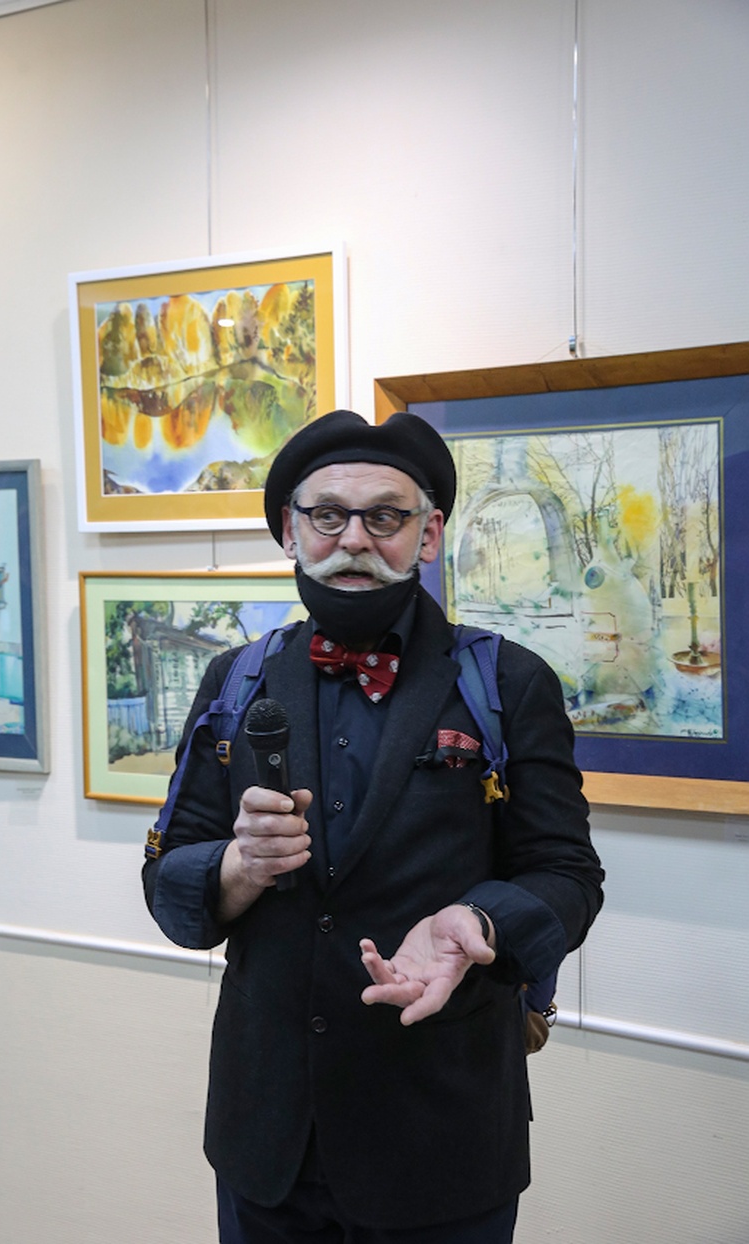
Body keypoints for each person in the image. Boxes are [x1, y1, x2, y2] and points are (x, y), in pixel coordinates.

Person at [142, 409, 604, 1244]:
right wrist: (239, 868)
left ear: (428, 535)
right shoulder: (233, 680)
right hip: (265, 1137)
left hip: (440, 1136)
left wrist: (480, 922)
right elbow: (169, 873)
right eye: (328, 514)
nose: (354, 538)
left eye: (384, 516)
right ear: (291, 532)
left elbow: (568, 874)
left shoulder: (509, 682)